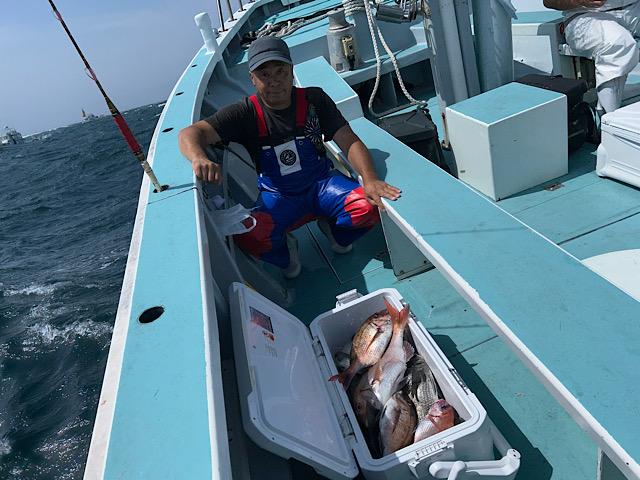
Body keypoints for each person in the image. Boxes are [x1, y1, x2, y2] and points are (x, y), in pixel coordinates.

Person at [178, 36, 401, 279]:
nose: (274, 81)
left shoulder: (315, 100)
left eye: (280, 72)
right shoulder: (243, 112)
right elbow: (191, 133)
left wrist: (370, 179)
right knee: (250, 235)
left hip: (322, 184)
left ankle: (336, 233)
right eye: (264, 74)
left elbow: (348, 139)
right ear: (252, 78)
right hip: (278, 195)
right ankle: (287, 252)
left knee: (368, 206)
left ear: (291, 71)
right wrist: (199, 157)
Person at [543, 0, 640, 115]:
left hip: (634, 11)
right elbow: (548, 1)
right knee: (617, 42)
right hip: (585, 16)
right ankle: (609, 119)